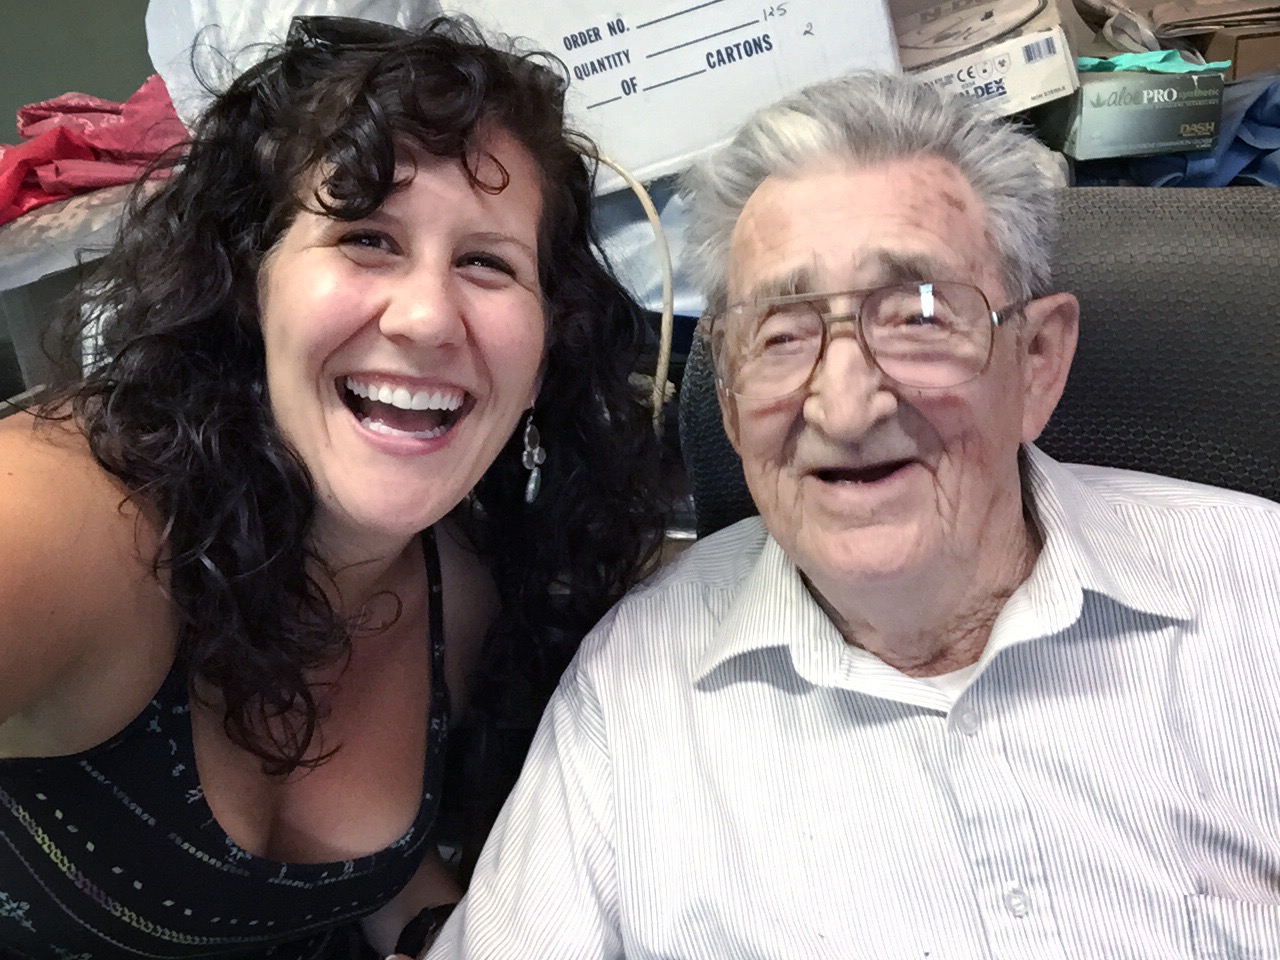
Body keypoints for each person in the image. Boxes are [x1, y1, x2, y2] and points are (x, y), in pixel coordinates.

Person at [426, 70, 1280, 959]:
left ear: (1035, 362)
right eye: (782, 334)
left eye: (917, 316)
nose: (845, 407)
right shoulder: (628, 696)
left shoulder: (1261, 588)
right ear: (728, 400)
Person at [0, 15, 665, 960]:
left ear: (547, 350)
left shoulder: (467, 595)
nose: (427, 317)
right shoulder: (67, 519)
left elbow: (362, 885)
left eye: (486, 262)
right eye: (366, 238)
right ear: (250, 286)